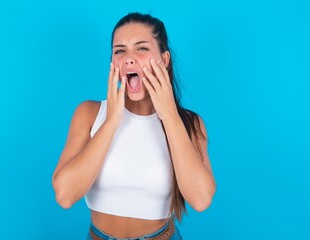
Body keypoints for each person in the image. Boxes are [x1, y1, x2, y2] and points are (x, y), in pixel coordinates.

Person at [52, 12, 216, 240]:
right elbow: (64, 195)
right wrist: (111, 123)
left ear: (164, 59)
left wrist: (169, 116)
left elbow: (201, 199)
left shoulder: (189, 123)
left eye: (141, 48)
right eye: (120, 50)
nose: (129, 58)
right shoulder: (89, 114)